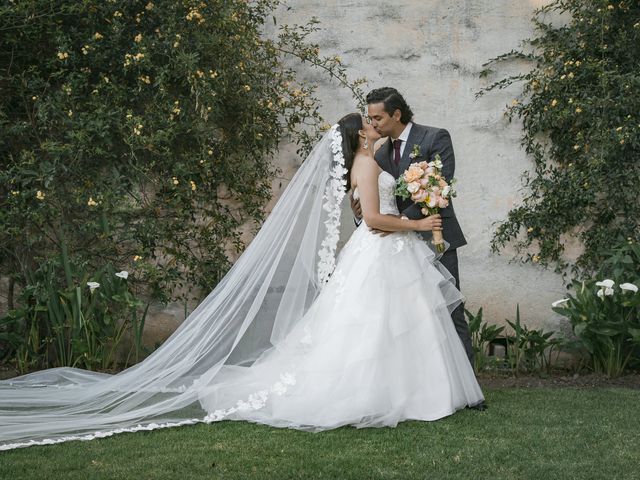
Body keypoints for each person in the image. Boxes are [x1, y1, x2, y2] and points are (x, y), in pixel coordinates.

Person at [0, 114, 484, 450]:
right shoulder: (366, 163)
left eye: (378, 121)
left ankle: (414, 391)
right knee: (374, 324)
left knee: (385, 322)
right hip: (383, 248)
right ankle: (386, 393)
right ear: (359, 138)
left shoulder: (376, 161)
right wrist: (419, 225)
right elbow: (375, 218)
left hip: (383, 253)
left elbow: (368, 209)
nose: (376, 126)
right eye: (370, 125)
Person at [352, 88, 483, 409]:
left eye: (378, 117)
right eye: (370, 117)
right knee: (407, 318)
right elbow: (376, 196)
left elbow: (441, 184)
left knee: (450, 311)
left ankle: (469, 392)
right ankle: (419, 388)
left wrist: (400, 220)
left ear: (397, 114)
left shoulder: (435, 137)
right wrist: (372, 216)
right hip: (397, 246)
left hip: (434, 235)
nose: (374, 123)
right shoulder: (379, 154)